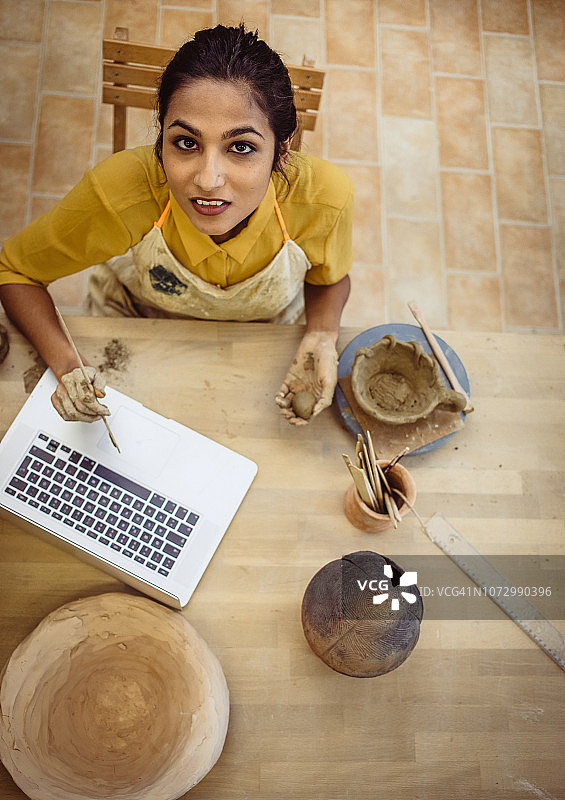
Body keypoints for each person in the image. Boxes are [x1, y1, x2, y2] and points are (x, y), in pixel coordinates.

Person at [0, 24, 353, 426]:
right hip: (138, 326)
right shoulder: (122, 191)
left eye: (241, 147)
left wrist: (321, 336)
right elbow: (15, 272)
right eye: (186, 143)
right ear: (161, 140)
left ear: (281, 152)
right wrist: (67, 366)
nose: (208, 180)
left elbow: (330, 278)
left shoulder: (324, 198)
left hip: (260, 340)